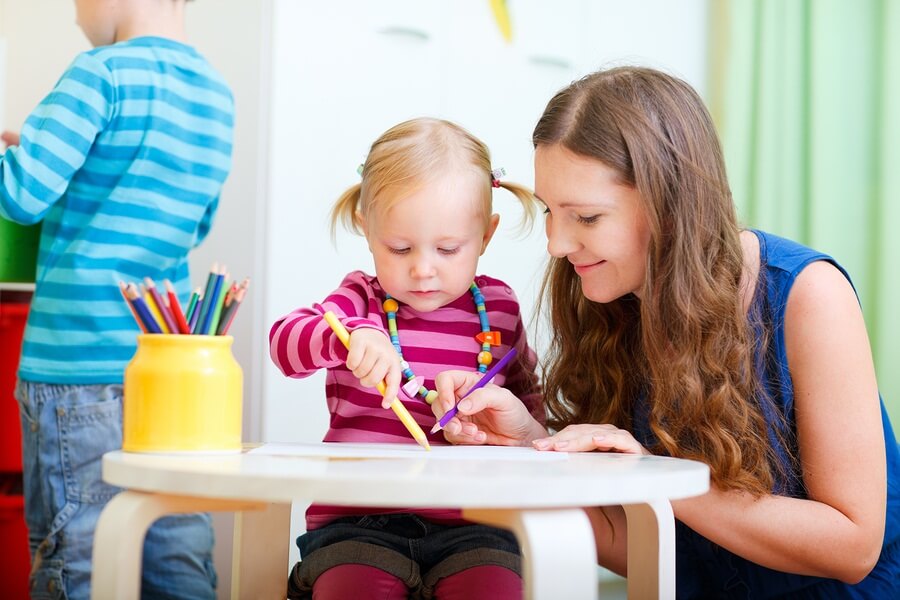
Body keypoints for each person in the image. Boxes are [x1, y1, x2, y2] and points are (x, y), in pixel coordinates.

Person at [432, 66, 900, 598]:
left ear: (669, 202)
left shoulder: (808, 294)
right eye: (549, 211)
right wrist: (532, 449)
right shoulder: (607, 298)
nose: (556, 244)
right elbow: (648, 548)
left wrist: (652, 476)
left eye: (585, 217)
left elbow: (854, 548)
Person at [0, 1, 234, 598]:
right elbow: (193, 223)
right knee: (175, 556)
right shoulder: (215, 95)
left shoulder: (98, 73)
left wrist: (20, 158)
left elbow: (23, 194)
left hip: (77, 368)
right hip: (169, 372)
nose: (76, 13)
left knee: (79, 557)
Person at [269, 117, 543, 599]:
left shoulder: (498, 308)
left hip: (476, 523)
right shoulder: (359, 300)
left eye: (448, 248)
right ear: (366, 228)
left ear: (486, 235)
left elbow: (530, 413)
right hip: (358, 523)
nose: (422, 268)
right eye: (399, 248)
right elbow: (284, 344)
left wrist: (512, 443)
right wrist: (347, 338)